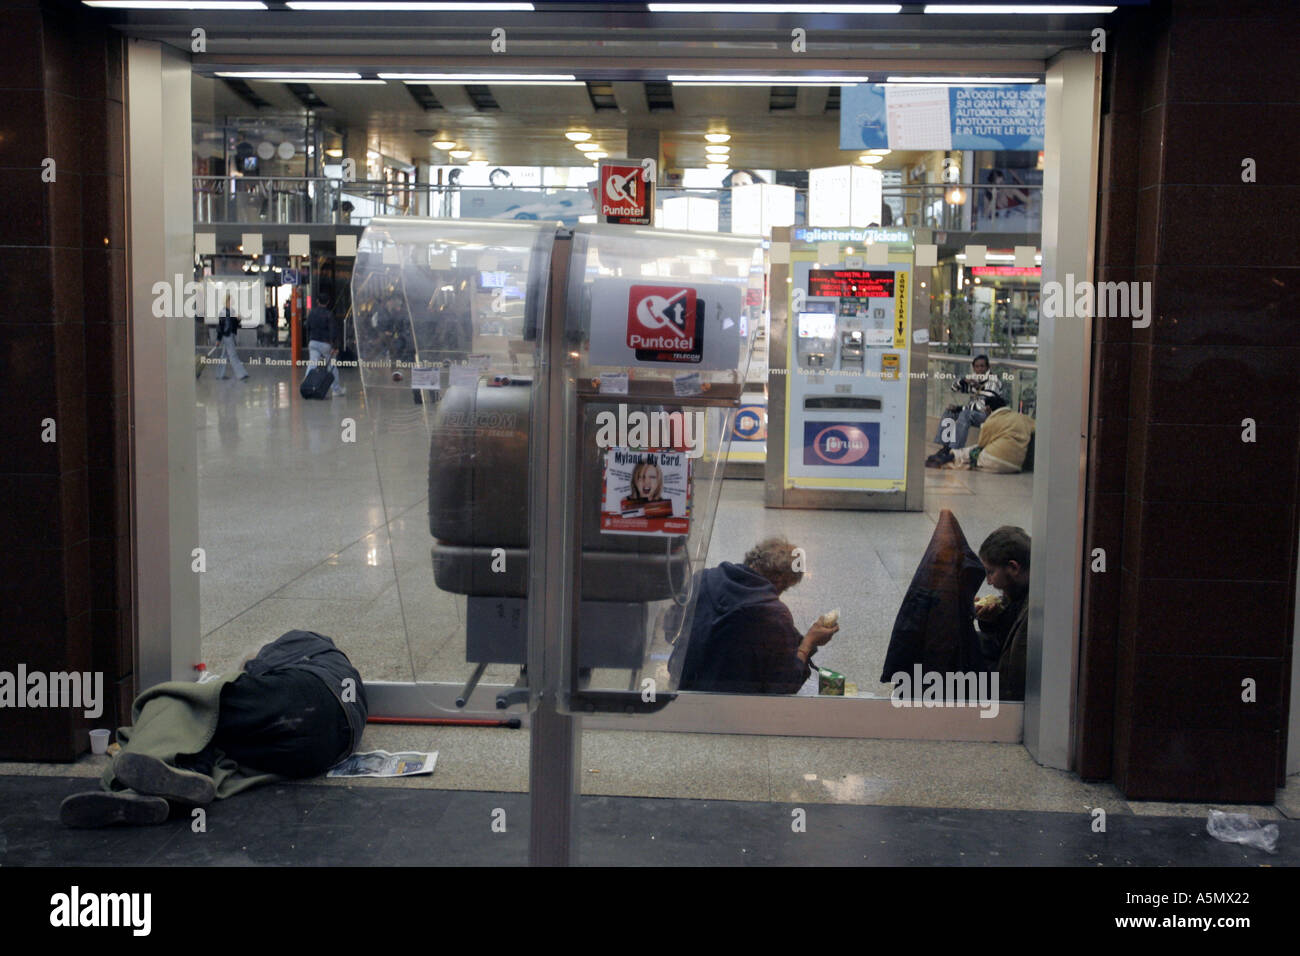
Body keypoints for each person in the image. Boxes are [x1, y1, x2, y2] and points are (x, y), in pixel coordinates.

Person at [60, 630, 368, 828]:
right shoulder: (342, 672)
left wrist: (233, 679)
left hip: (309, 699)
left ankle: (138, 773)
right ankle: (170, 790)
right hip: (322, 750)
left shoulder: (296, 642)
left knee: (181, 703)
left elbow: (239, 679)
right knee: (214, 738)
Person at [669, 537, 839, 694]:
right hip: (734, 704)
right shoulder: (773, 613)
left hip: (683, 686)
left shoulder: (703, 579)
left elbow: (671, 630)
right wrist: (808, 642)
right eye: (785, 588)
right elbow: (786, 683)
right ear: (781, 580)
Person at [974, 527, 1030, 700]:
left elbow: (1014, 674)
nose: (988, 581)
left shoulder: (1031, 611)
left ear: (1013, 568)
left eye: (990, 572)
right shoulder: (1016, 590)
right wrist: (991, 620)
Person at [926, 393, 1034, 473]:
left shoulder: (991, 421)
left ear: (987, 409)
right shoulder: (1022, 418)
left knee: (971, 453)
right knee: (972, 456)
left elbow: (982, 444)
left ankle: (948, 458)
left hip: (994, 460)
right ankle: (950, 456)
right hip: (1016, 465)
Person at [933, 354, 1001, 448]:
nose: (979, 369)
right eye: (977, 367)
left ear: (988, 367)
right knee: (950, 412)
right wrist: (962, 381)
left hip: (989, 415)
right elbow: (954, 388)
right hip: (973, 412)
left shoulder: (993, 381)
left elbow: (981, 407)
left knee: (965, 414)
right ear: (973, 368)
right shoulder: (975, 378)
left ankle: (954, 450)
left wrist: (959, 408)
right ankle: (942, 446)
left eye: (982, 366)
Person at [304, 293, 346, 396]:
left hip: (313, 342)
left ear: (317, 301)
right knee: (332, 366)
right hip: (326, 344)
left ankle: (307, 385)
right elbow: (333, 331)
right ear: (327, 302)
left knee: (312, 364)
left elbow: (307, 326)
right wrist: (335, 346)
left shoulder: (312, 313)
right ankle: (336, 390)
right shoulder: (329, 314)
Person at [215, 294, 249, 381]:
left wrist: (238, 319)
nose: (232, 302)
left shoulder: (232, 311)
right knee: (233, 355)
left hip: (231, 335)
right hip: (227, 336)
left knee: (224, 355)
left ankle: (219, 374)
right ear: (226, 301)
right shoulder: (223, 312)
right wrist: (218, 339)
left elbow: (235, 324)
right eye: (230, 300)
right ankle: (241, 374)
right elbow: (221, 327)